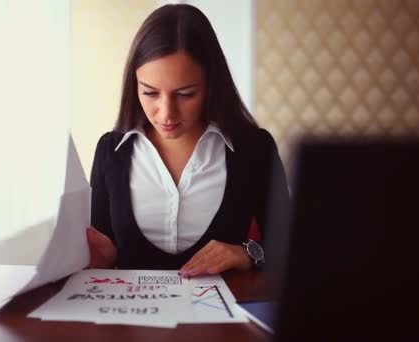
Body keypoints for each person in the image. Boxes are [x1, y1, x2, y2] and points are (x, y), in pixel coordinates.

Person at [86, 4, 289, 277]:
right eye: (150, 93)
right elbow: (104, 251)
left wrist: (245, 253)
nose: (166, 113)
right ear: (134, 85)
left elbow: (290, 249)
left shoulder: (254, 149)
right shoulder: (111, 152)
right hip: (133, 315)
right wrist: (104, 255)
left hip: (222, 315)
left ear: (211, 85)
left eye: (185, 94)